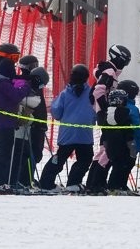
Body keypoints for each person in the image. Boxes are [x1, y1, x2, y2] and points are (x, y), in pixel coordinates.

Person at [84, 44, 132, 193]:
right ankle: (96, 183)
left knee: (104, 148)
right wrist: (106, 109)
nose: (124, 65)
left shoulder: (107, 70)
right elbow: (98, 91)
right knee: (109, 150)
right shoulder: (110, 72)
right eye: (124, 61)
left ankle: (93, 182)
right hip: (105, 114)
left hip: (102, 113)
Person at [39, 63, 94, 192]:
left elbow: (57, 112)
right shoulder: (91, 92)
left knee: (60, 158)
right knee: (85, 159)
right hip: (85, 133)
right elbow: (96, 111)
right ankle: (74, 182)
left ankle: (46, 182)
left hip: (67, 133)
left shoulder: (65, 94)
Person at [0, 57, 31, 193]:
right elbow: (16, 95)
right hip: (4, 123)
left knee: (1, 153)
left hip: (2, 122)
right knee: (3, 154)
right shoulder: (2, 84)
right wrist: (25, 86)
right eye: (13, 68)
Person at [11, 65, 48, 189]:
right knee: (22, 154)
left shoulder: (33, 89)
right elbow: (21, 103)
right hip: (21, 128)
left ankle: (25, 179)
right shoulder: (25, 86)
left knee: (29, 154)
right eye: (42, 84)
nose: (42, 88)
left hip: (29, 127)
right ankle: (20, 180)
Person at [118, 79, 140, 194]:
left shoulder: (120, 106)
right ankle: (120, 185)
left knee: (123, 164)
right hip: (132, 142)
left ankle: (120, 184)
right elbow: (136, 128)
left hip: (122, 142)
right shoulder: (132, 109)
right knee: (128, 164)